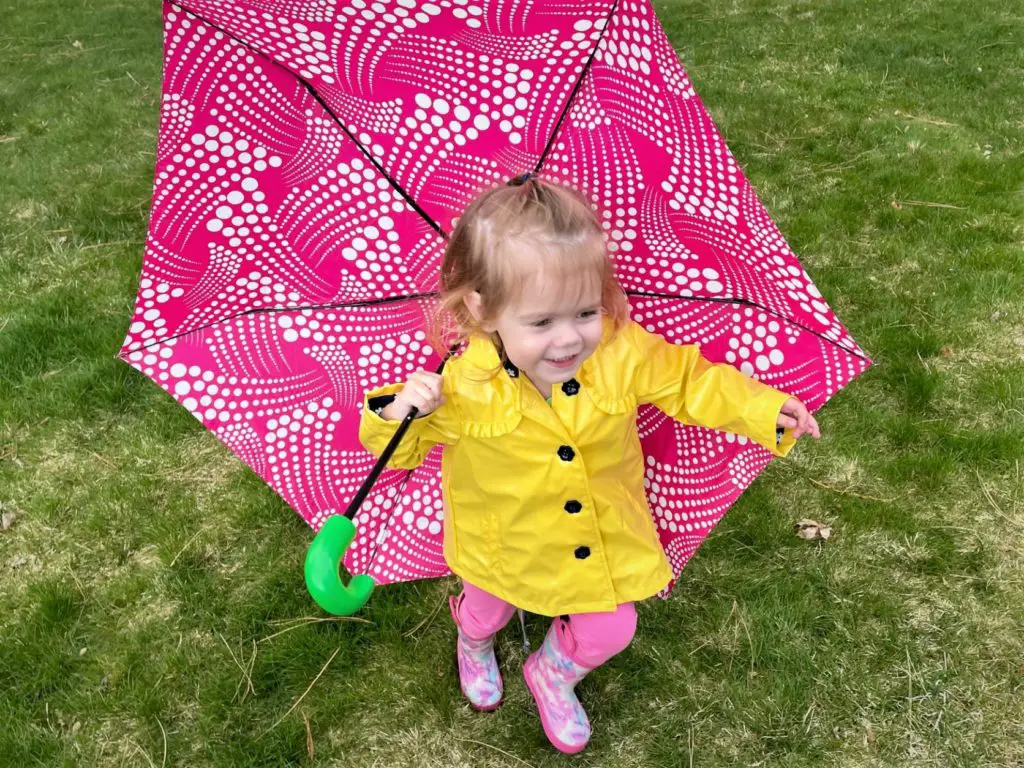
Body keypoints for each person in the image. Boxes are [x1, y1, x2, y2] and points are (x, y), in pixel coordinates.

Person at [358, 175, 820, 754]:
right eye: (541, 322)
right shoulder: (459, 386)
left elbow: (687, 380)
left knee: (611, 627)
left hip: (594, 537)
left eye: (584, 311)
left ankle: (552, 670)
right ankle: (472, 642)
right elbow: (397, 452)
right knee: (487, 610)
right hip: (499, 542)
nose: (568, 339)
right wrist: (402, 411)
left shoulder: (620, 351)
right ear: (483, 309)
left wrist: (761, 408)